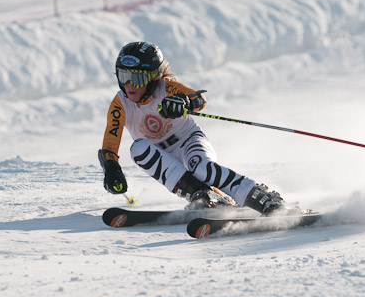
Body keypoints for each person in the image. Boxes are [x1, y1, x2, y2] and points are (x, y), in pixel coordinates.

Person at [98, 41, 287, 215]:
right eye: (123, 76)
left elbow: (199, 99)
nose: (129, 84)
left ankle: (261, 197)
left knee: (202, 168)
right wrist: (111, 168)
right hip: (163, 156)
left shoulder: (166, 88)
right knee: (138, 148)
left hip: (188, 140)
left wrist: (184, 101)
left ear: (153, 77)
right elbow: (110, 145)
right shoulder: (120, 104)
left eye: (137, 78)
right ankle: (201, 194)